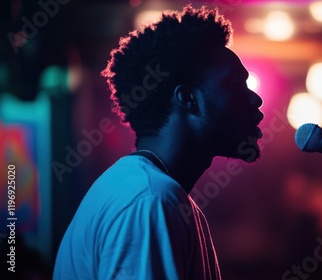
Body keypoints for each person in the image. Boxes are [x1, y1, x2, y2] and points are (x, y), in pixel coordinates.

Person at [53, 5, 263, 279]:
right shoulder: (150, 201)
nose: (255, 99)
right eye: (235, 83)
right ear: (188, 99)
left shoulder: (156, 194)